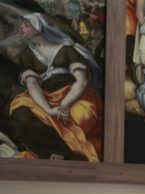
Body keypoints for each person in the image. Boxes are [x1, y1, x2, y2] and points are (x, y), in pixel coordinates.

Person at [9, 13, 103, 161]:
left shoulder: (65, 50)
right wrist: (49, 110)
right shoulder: (27, 56)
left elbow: (82, 81)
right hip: (44, 98)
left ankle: (70, 156)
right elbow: (32, 85)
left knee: (83, 117)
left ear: (38, 29)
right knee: (20, 116)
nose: (21, 27)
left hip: (72, 95)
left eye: (27, 24)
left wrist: (65, 104)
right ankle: (54, 152)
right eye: (22, 24)